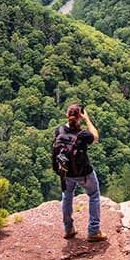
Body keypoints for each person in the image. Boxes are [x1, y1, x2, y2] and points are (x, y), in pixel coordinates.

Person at [53, 103, 107, 242]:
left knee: (67, 195)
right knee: (94, 195)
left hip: (65, 172)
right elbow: (95, 136)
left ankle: (68, 229)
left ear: (67, 115)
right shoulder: (82, 135)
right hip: (84, 173)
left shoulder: (59, 131)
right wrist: (87, 119)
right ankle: (93, 231)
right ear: (79, 117)